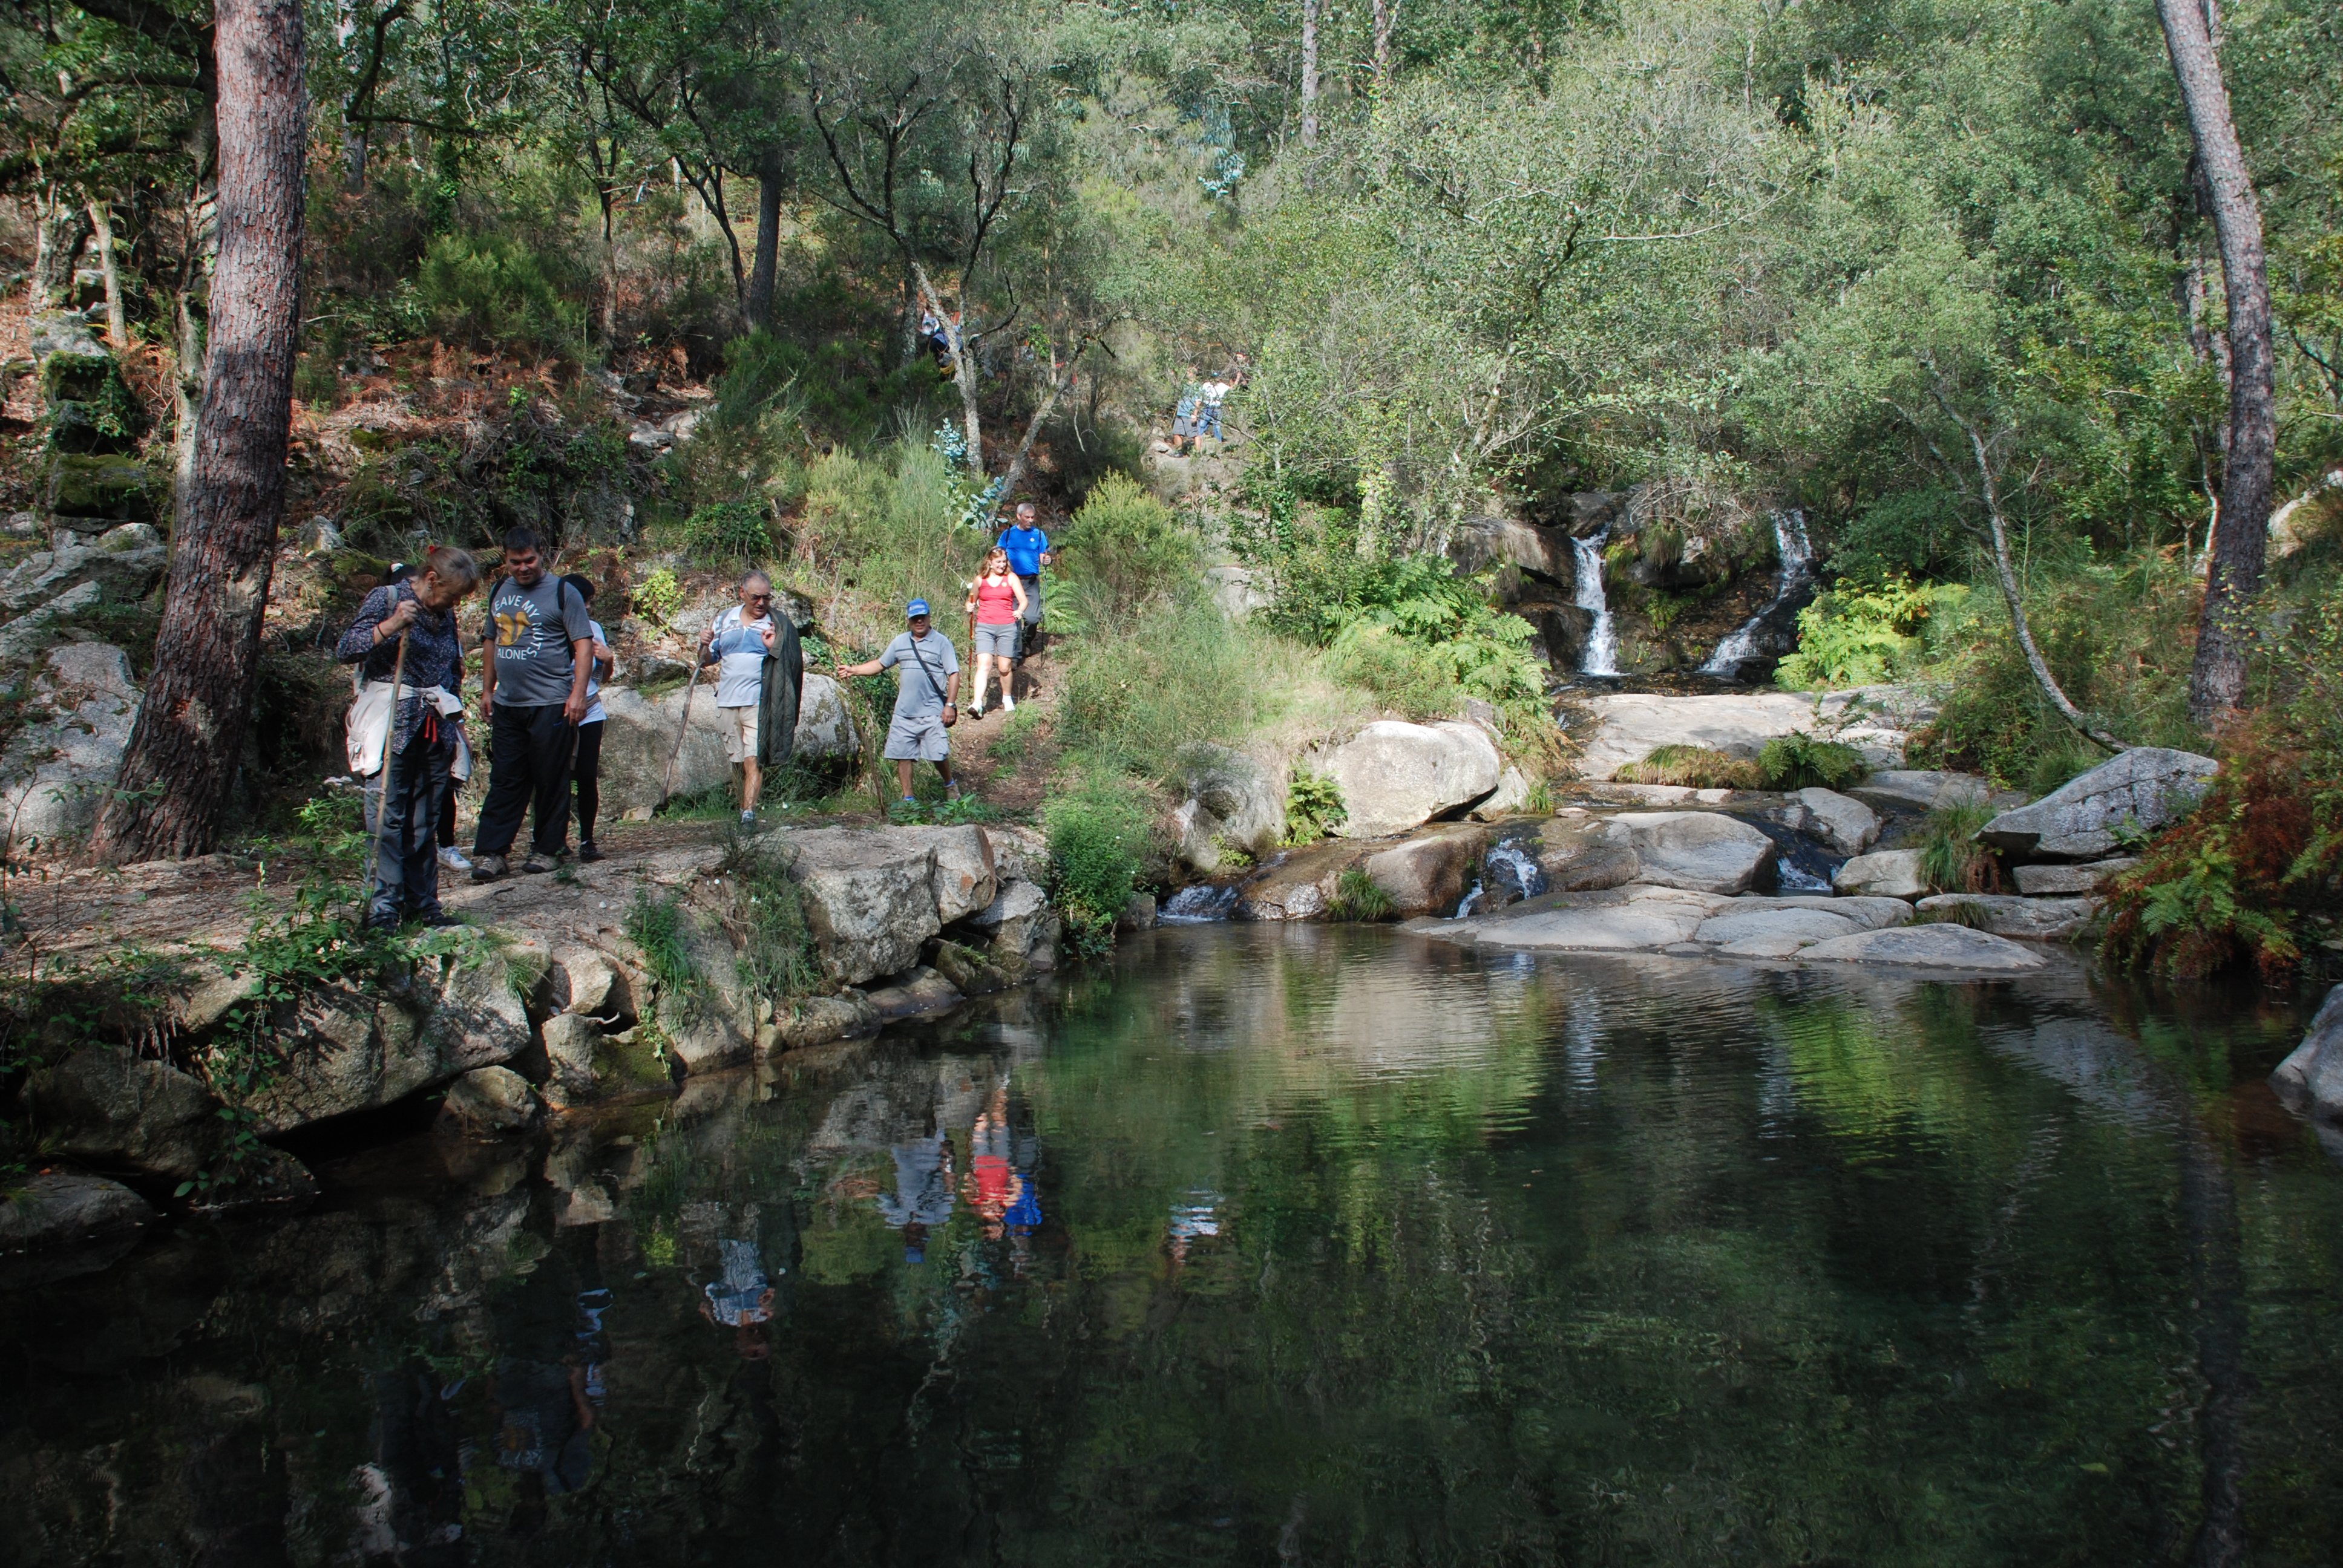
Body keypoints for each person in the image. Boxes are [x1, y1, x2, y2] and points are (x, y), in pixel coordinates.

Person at [339, 546, 481, 929]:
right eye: (453, 595)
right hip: (391, 725)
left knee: (424, 821)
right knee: (387, 816)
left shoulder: (444, 613)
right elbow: (346, 648)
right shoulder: (386, 600)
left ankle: (424, 905)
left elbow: (452, 667)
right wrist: (389, 626)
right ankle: (383, 910)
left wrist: (458, 722)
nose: (455, 604)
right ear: (432, 579)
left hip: (434, 726)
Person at [471, 528, 594, 880]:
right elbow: (491, 642)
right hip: (509, 704)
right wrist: (487, 689)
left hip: (552, 702)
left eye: (530, 560)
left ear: (542, 555)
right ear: (505, 560)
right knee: (506, 778)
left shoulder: (562, 592)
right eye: (515, 562)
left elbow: (583, 646)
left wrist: (578, 694)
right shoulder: (499, 591)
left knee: (551, 778)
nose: (523, 568)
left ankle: (546, 849)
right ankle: (492, 853)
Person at [835, 599, 960, 811]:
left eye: (923, 617)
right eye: (914, 618)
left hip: (932, 712)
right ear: (908, 620)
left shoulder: (942, 643)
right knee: (903, 756)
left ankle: (949, 785)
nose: (919, 621)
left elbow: (954, 674)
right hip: (904, 712)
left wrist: (950, 704)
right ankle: (908, 800)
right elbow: (880, 664)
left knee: (938, 754)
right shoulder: (900, 642)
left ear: (930, 617)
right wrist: (852, 670)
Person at [698, 570, 795, 828]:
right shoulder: (724, 619)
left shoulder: (777, 623)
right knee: (738, 760)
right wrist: (703, 645)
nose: (762, 603)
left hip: (759, 701)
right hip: (728, 701)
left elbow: (790, 662)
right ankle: (742, 805)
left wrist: (773, 647)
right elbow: (708, 660)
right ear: (742, 593)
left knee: (754, 758)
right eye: (756, 597)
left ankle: (748, 814)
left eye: (767, 597)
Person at [562, 574, 617, 861]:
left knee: (586, 775)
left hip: (591, 709)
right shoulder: (553, 627)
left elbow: (602, 677)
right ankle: (552, 840)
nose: (587, 608)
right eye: (585, 602)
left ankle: (587, 841)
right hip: (558, 710)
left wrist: (608, 659)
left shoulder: (594, 629)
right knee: (554, 776)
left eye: (589, 603)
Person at [962, 545, 1027, 718]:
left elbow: (1023, 601)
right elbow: (971, 600)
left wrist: (1019, 611)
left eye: (1004, 561)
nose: (1002, 565)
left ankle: (1007, 698)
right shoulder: (980, 580)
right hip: (985, 626)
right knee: (984, 665)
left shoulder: (1011, 578)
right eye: (998, 562)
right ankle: (977, 704)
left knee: (1004, 667)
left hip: (1007, 626)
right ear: (990, 562)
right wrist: (969, 605)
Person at [996, 501, 1053, 663]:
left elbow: (1043, 557)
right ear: (1018, 516)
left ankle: (1027, 641)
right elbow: (997, 556)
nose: (1030, 520)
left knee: (1033, 618)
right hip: (1011, 582)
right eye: (1027, 517)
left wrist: (1047, 560)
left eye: (1033, 517)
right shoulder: (1008, 535)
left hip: (1031, 583)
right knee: (1014, 619)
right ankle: (1015, 657)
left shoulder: (1039, 535)